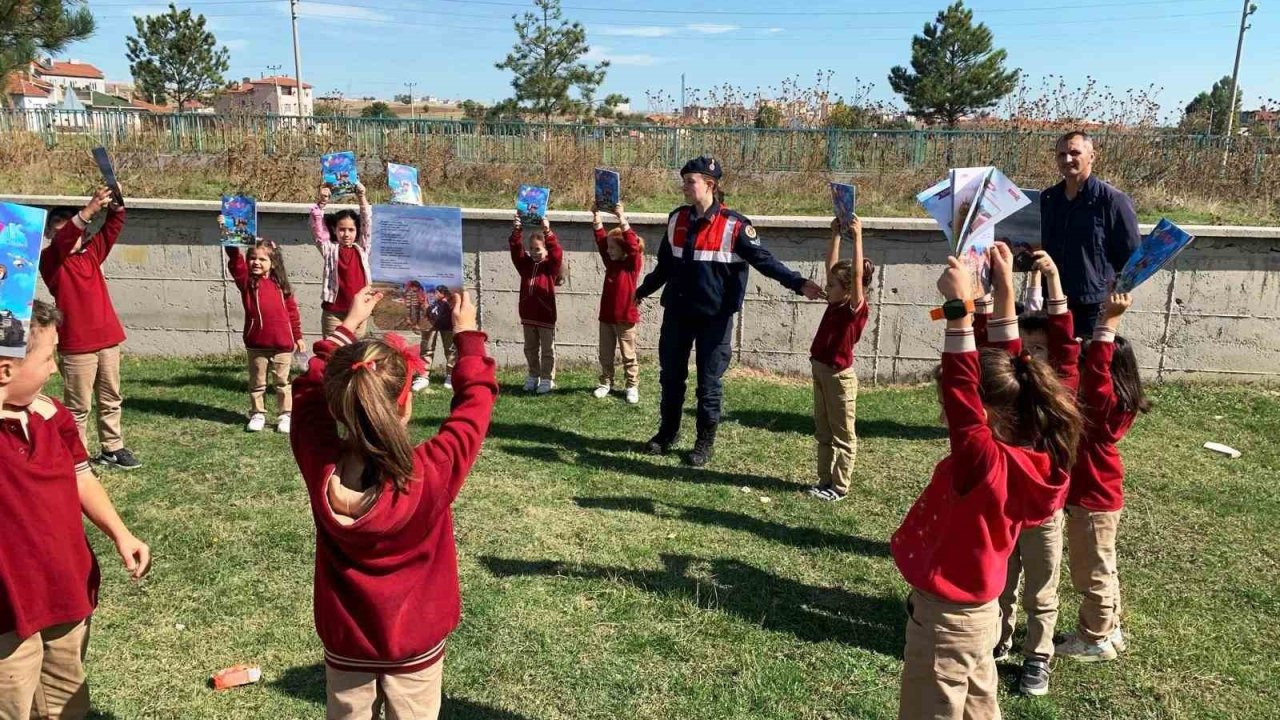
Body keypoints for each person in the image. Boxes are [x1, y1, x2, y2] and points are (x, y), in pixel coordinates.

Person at [289, 287, 498, 720]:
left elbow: (308, 395)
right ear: (405, 405)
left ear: (341, 405)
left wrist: (345, 329)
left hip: (346, 647)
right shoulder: (431, 473)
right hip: (415, 648)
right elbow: (475, 404)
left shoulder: (319, 466)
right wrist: (467, 335)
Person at [893, 249, 1082, 720]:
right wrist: (1001, 290)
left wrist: (959, 310)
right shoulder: (1032, 450)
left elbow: (962, 390)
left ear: (991, 414)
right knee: (979, 706)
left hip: (946, 622)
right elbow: (1012, 371)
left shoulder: (984, 461)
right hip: (981, 615)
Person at [0, 300, 151, 719]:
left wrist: (121, 533)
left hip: (65, 591)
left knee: (67, 700)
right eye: (48, 358)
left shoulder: (55, 416)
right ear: (4, 370)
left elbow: (83, 478)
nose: (54, 369)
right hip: (8, 611)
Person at [635, 156, 823, 467]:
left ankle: (704, 443)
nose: (683, 186)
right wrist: (641, 292)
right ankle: (668, 433)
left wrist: (799, 283)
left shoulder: (735, 226)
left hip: (715, 318)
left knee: (709, 384)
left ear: (710, 185)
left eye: (689, 181)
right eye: (683, 181)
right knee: (670, 378)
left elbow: (765, 261)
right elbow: (665, 267)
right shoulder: (676, 219)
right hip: (678, 314)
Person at [989, 251, 1080, 697]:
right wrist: (989, 287)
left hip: (1044, 512)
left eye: (1040, 348)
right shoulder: (1008, 394)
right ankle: (998, 641)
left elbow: (1064, 342)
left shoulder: (1062, 392)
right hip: (1006, 507)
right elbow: (997, 343)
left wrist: (1055, 278)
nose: (1033, 355)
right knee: (1001, 582)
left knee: (1042, 590)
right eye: (1027, 349)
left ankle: (1037, 656)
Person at [1056, 292, 1148, 663]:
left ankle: (1093, 638)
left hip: (1092, 500)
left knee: (1091, 573)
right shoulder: (1118, 405)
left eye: (1093, 361)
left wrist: (1108, 324)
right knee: (1104, 566)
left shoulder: (1102, 405)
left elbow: (1095, 383)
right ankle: (1111, 627)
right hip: (1102, 496)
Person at [40, 187, 142, 470]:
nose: (68, 238)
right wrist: (89, 209)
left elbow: (113, 227)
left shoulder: (92, 253)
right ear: (50, 235)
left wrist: (117, 205)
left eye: (71, 231)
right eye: (59, 232)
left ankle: (112, 448)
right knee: (78, 407)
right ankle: (78, 457)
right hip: (76, 346)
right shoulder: (50, 262)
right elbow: (64, 240)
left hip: (108, 340)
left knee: (111, 398)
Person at [1040, 131, 1140, 338]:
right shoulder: (1048, 199)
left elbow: (1132, 256)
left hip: (1092, 306)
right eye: (1061, 155)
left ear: (1092, 156)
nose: (1067, 159)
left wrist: (1115, 296)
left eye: (1074, 153)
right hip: (1050, 300)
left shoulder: (1113, 201)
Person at [807, 216, 873, 502]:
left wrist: (857, 237)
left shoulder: (853, 308)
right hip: (820, 370)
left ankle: (839, 487)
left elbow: (856, 276)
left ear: (847, 290)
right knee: (823, 431)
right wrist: (835, 235)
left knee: (843, 435)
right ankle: (824, 480)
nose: (827, 287)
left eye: (833, 284)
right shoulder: (834, 302)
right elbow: (830, 266)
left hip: (839, 377)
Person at [225, 240, 304, 434]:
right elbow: (235, 260)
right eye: (252, 258)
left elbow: (292, 312)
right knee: (257, 382)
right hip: (257, 345)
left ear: (273, 262)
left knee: (283, 382)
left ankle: (286, 415)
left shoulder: (281, 286)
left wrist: (298, 336)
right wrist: (229, 237)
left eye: (262, 259)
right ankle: (257, 414)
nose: (256, 262)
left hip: (283, 345)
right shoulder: (247, 283)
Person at [591, 202, 643, 405]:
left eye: (613, 248)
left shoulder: (632, 265)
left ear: (623, 250)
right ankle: (605, 382)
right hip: (606, 317)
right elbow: (601, 241)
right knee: (605, 353)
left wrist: (622, 219)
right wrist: (596, 217)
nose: (609, 251)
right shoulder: (610, 262)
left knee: (628, 354)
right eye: (609, 248)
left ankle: (631, 385)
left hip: (625, 318)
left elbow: (632, 245)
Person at [310, 182, 373, 337]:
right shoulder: (329, 249)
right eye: (342, 229)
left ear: (357, 231)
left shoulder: (362, 249)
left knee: (355, 356)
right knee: (331, 354)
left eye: (351, 230)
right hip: (333, 313)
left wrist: (361, 196)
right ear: (334, 230)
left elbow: (367, 221)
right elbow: (317, 229)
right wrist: (322, 202)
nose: (346, 234)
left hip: (358, 312)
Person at [509, 214, 562, 394]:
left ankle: (547, 378)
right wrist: (517, 230)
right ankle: (533, 375)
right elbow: (516, 251)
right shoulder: (525, 265)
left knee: (547, 350)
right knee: (530, 348)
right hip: (528, 315)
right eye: (531, 249)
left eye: (538, 249)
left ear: (546, 250)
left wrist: (547, 231)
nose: (534, 252)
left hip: (545, 316)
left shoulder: (550, 267)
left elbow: (557, 253)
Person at [412, 287, 457, 393]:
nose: (435, 294)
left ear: (443, 294)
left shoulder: (448, 303)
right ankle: (423, 376)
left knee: (450, 348)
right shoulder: (433, 303)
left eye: (437, 293)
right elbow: (428, 311)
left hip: (447, 324)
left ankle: (451, 375)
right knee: (427, 347)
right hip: (431, 323)